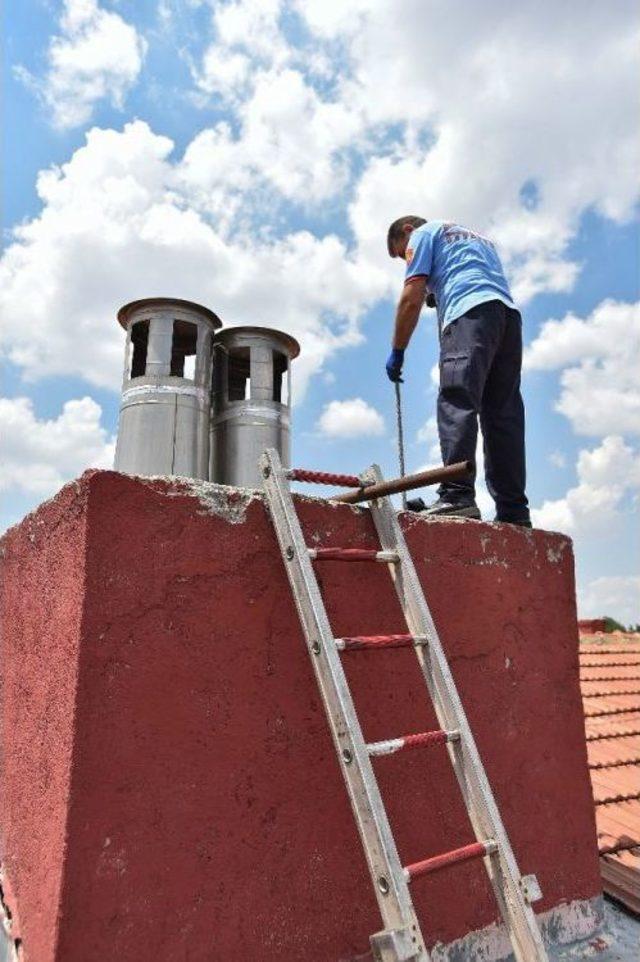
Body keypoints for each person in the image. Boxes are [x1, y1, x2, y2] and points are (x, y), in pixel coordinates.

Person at [386, 215, 531, 527]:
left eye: (401, 254)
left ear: (408, 232)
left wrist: (397, 350)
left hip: (468, 315)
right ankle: (514, 512)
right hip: (507, 319)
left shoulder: (423, 234)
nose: (406, 260)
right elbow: (463, 275)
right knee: (503, 416)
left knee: (457, 397)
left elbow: (411, 299)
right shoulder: (476, 238)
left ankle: (456, 494)